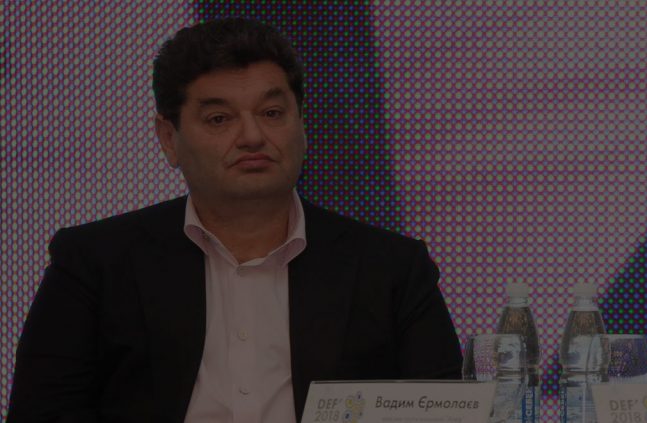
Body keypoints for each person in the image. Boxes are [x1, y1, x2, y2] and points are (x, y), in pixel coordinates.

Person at [9, 18, 462, 422]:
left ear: (302, 124)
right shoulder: (95, 262)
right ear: (168, 138)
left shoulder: (393, 267)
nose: (252, 136)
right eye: (219, 118)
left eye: (271, 113)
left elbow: (442, 413)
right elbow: (43, 413)